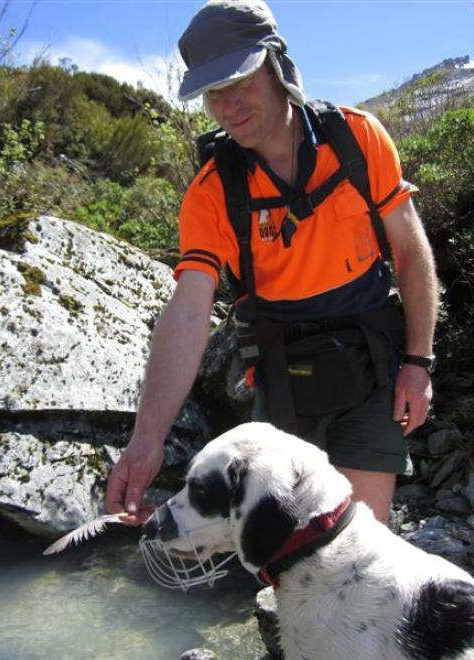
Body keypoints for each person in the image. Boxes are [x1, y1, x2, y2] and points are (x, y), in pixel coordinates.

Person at [106, 0, 438, 525]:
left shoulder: (357, 140)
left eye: (241, 81)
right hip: (284, 378)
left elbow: (412, 252)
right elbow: (190, 311)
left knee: (359, 540)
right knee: (287, 550)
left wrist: (418, 364)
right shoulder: (212, 194)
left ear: (277, 66)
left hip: (375, 361)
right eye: (214, 92)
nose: (229, 105)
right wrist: (146, 441)